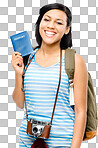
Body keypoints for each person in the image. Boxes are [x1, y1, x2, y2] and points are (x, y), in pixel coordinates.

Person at [11, 3, 88, 148]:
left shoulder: (75, 61)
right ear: (39, 23)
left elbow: (81, 111)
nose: (51, 26)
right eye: (46, 20)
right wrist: (18, 73)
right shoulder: (28, 57)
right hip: (27, 142)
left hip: (62, 143)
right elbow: (20, 103)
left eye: (59, 23)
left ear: (67, 30)